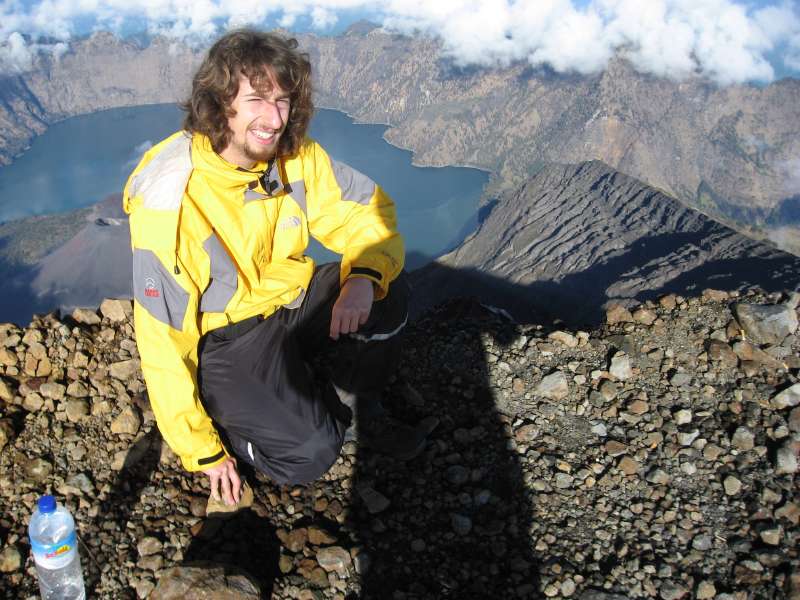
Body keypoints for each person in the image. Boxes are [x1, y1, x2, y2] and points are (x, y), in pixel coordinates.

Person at [123, 29, 425, 507]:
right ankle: (237, 417)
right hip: (227, 339)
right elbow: (162, 339)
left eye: (283, 100)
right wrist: (202, 451)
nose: (274, 118)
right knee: (310, 454)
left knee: (389, 293)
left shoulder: (291, 155)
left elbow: (363, 210)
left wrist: (364, 278)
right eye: (257, 100)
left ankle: (352, 407)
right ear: (221, 102)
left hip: (290, 298)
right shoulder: (173, 201)